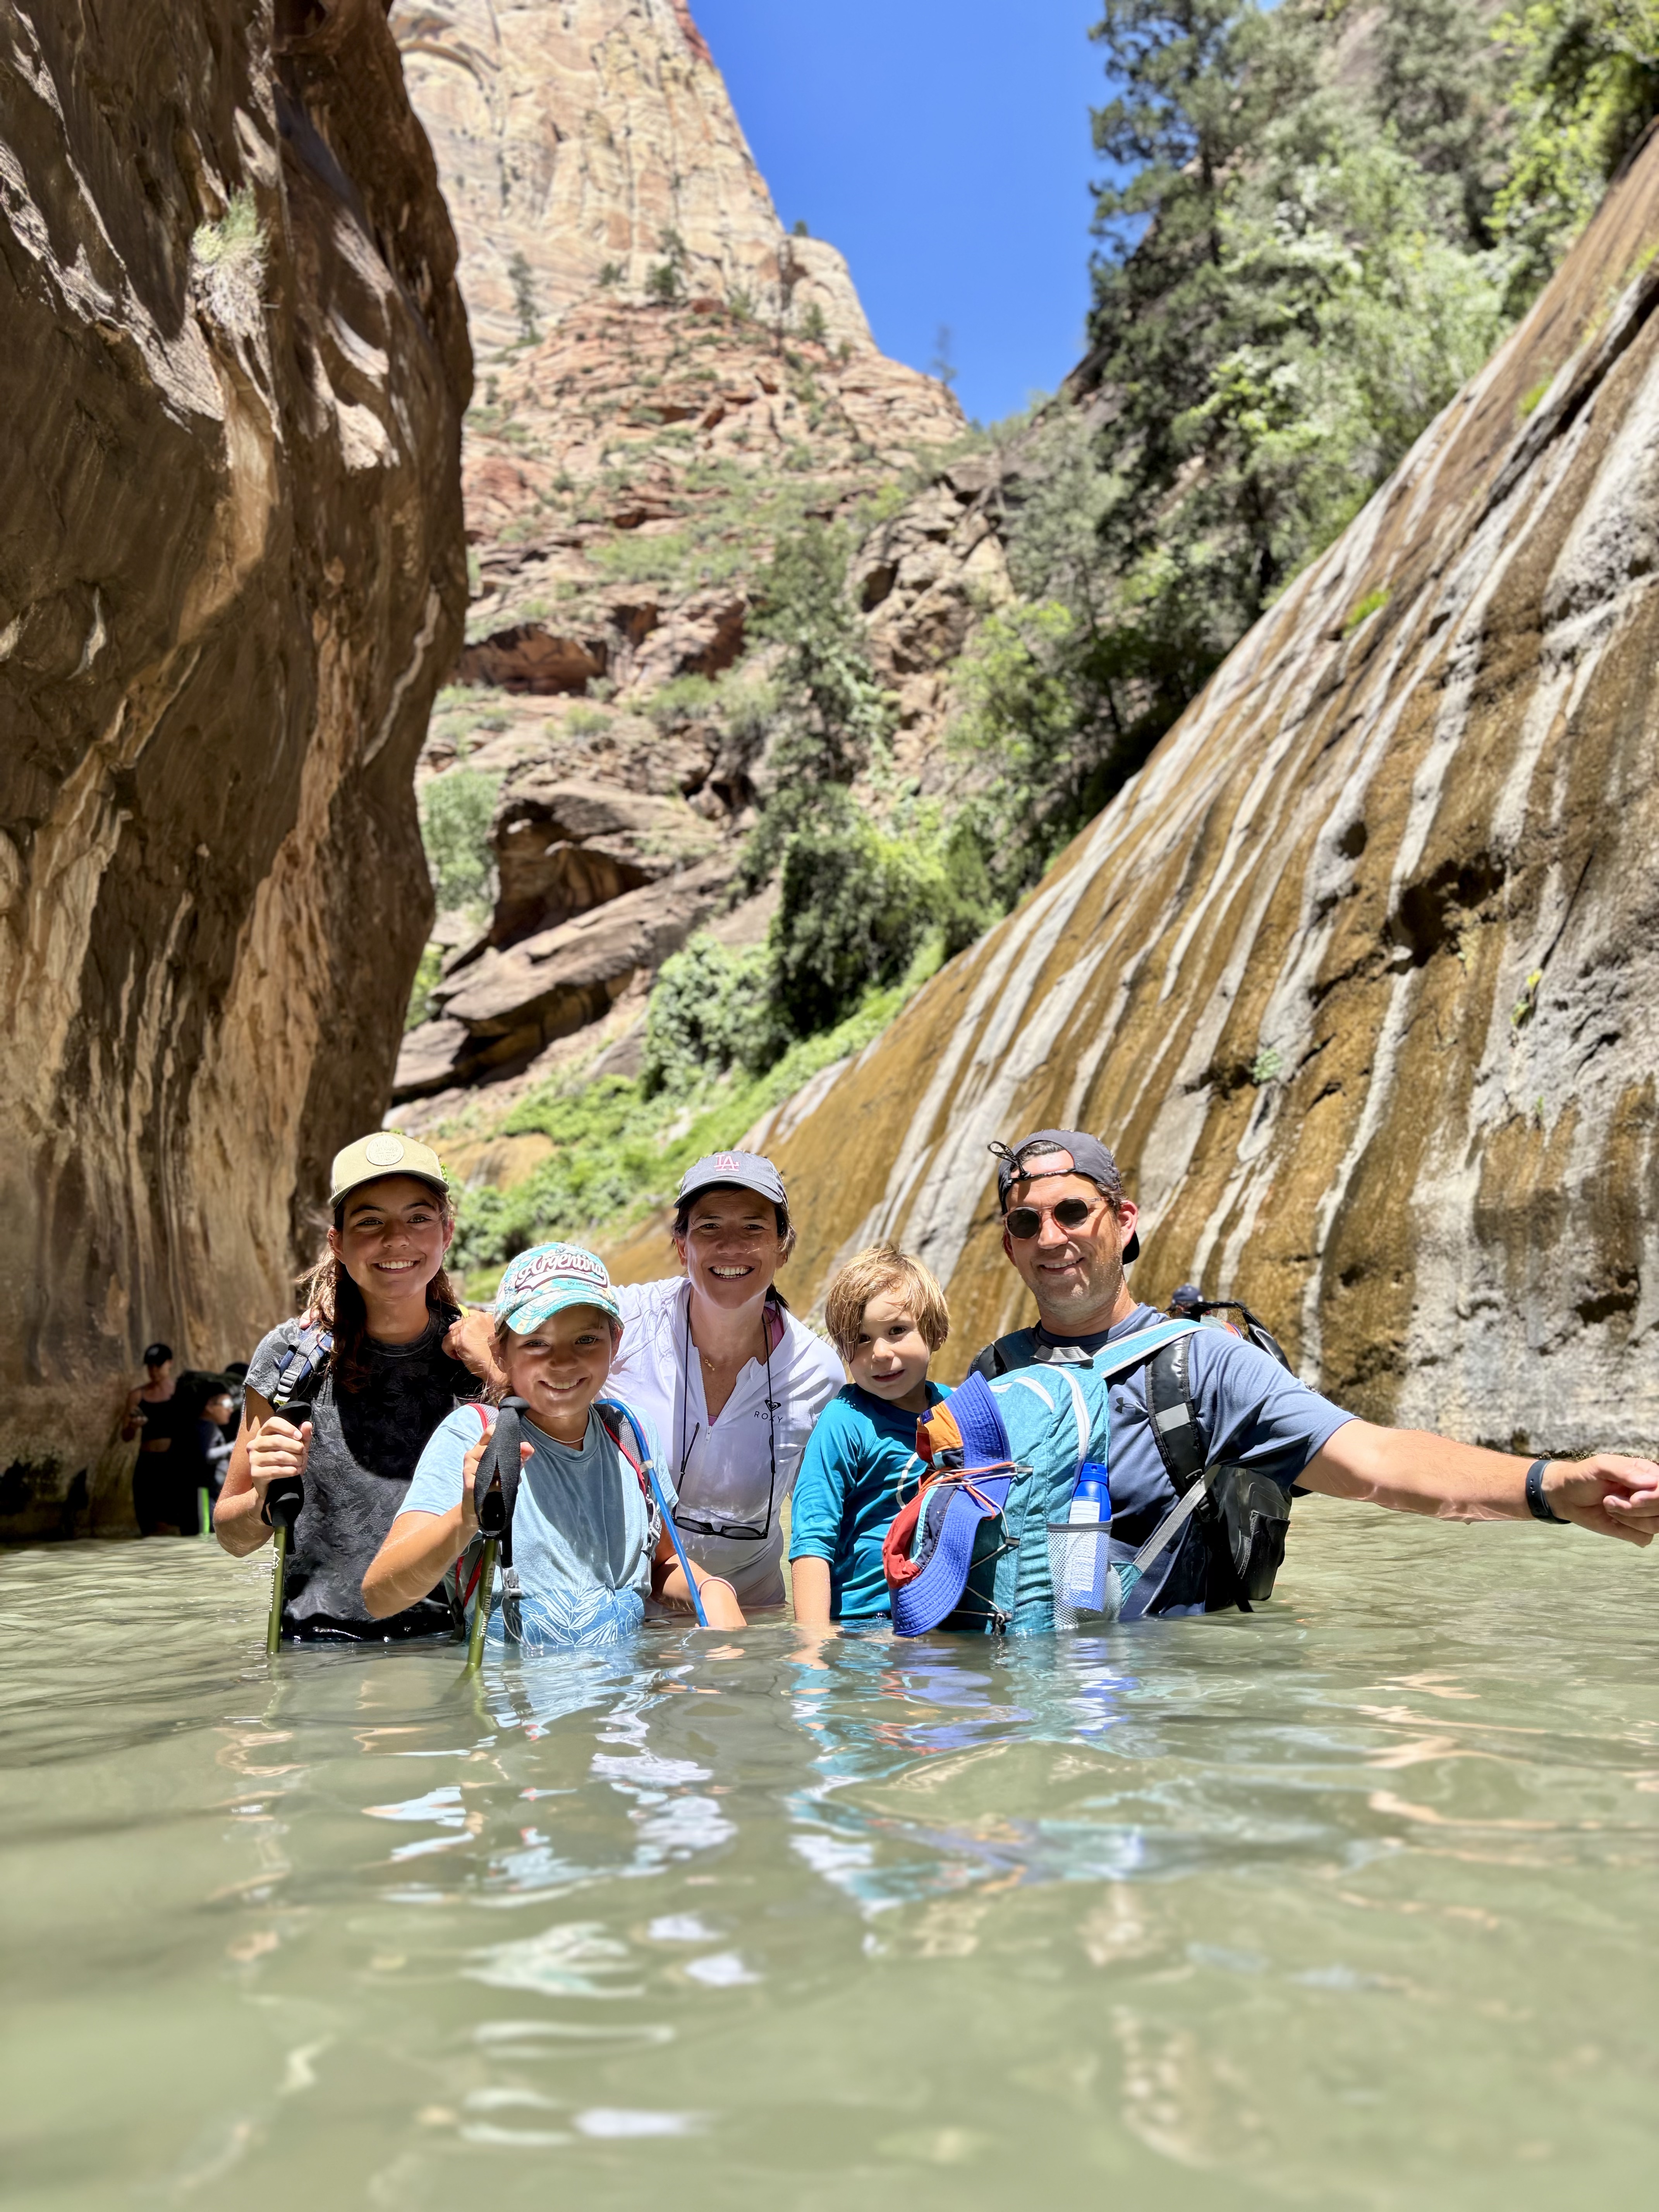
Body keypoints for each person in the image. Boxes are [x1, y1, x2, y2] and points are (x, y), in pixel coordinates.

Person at [958, 1128, 1659, 1622]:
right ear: (1008, 1246)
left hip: (1169, 1722)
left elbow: (1373, 1460)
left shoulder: (1197, 1363)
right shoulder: (989, 1377)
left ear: (1122, 1218)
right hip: (1026, 1714)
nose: (1050, 1236)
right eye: (1026, 1221)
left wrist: (1548, 1487)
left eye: (1072, 1210)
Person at [364, 1243, 745, 1645]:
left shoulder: (634, 1434)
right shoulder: (471, 1437)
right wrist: (466, 1518)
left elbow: (662, 1562)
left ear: (615, 1343)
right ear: (501, 1353)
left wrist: (711, 1589)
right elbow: (380, 1596)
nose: (562, 1361)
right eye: (536, 1343)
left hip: (624, 1703)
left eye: (586, 1340)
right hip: (510, 1702)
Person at [213, 1132, 503, 1640]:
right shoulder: (289, 1359)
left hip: (447, 1652)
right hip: (316, 1652)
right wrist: (263, 1492)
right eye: (370, 1221)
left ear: (447, 1232)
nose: (396, 1239)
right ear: (338, 1242)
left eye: (418, 1218)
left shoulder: (484, 1353)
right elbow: (234, 1538)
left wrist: (502, 1375)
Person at [605, 1152, 844, 1611]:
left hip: (753, 1624)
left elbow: (824, 1521)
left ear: (783, 1246)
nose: (731, 1247)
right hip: (628, 1617)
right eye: (709, 1228)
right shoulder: (625, 1324)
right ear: (682, 1247)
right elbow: (527, 1329)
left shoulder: (817, 1374)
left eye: (753, 1228)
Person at [790, 1245, 952, 1629]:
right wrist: (814, 1649)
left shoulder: (957, 1409)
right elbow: (812, 1538)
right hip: (866, 1621)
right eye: (861, 1340)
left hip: (946, 1613)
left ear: (934, 1331)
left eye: (896, 1331)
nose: (879, 1353)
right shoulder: (846, 1420)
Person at [121, 1343, 194, 1537]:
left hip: (172, 1463)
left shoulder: (180, 1392)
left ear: (169, 1364)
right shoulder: (137, 1396)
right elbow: (126, 1437)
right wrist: (133, 1426)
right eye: (150, 1366)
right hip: (146, 1464)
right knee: (147, 1524)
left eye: (158, 1366)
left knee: (170, 1524)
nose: (153, 1371)